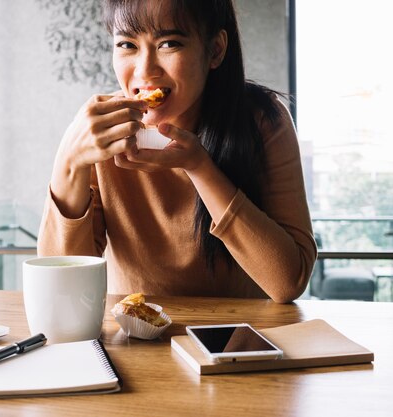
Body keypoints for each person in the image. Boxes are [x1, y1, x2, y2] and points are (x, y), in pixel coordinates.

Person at [37, 0, 317, 303]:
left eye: (169, 44)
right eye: (127, 44)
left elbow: (288, 281)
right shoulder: (105, 131)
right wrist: (68, 160)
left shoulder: (262, 121)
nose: (145, 71)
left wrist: (199, 166)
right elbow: (62, 287)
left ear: (215, 50)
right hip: (137, 340)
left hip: (240, 341)